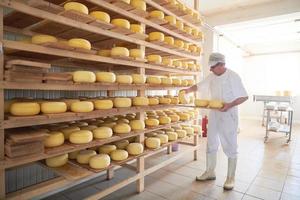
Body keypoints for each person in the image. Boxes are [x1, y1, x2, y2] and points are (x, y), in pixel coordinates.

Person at [181, 53, 248, 190]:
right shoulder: (212, 76)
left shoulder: (233, 76)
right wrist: (188, 90)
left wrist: (229, 105)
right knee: (211, 142)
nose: (210, 70)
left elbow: (244, 96)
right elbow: (199, 85)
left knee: (230, 144)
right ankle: (210, 172)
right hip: (215, 114)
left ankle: (230, 178)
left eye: (212, 67)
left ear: (221, 65)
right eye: (210, 67)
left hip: (229, 115)